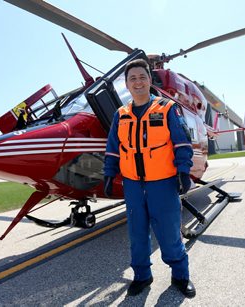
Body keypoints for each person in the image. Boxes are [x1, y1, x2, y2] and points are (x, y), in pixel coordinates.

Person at [103, 58, 195, 298]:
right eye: (132, 78)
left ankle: (180, 276)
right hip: (133, 185)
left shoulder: (166, 108)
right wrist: (109, 174)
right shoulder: (120, 115)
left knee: (169, 232)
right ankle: (142, 276)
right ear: (126, 84)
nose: (138, 82)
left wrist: (183, 172)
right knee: (137, 234)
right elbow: (113, 147)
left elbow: (182, 143)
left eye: (142, 77)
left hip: (162, 184)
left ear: (149, 80)